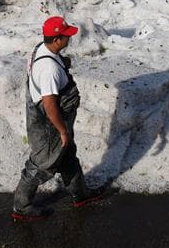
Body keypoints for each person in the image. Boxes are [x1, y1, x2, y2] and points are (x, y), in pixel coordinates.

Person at [11, 16, 105, 221]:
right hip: (49, 125)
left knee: (68, 156)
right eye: (66, 36)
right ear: (56, 40)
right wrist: (61, 130)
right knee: (42, 163)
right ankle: (22, 206)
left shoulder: (42, 49)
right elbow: (49, 104)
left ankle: (81, 194)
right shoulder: (49, 70)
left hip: (55, 121)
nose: (69, 38)